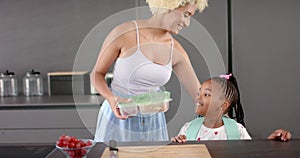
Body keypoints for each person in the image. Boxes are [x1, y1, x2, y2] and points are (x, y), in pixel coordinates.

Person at [91, 0, 208, 142]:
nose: (187, 23)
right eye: (186, 14)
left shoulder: (175, 50)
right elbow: (96, 74)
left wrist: (221, 108)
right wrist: (112, 99)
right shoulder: (124, 33)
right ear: (169, 6)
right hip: (119, 117)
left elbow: (199, 94)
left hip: (153, 122)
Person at [171, 74, 292, 142]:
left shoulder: (237, 130)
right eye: (199, 93)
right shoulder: (188, 129)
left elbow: (251, 153)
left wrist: (270, 143)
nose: (198, 97)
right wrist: (177, 144)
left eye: (206, 94)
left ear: (223, 105)